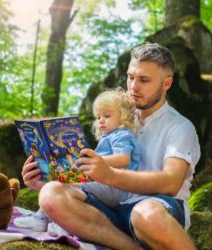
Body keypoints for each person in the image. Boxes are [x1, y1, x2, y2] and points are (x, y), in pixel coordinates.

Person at [22, 43, 200, 249]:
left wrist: (109, 174)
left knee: (146, 214)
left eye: (144, 80)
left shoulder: (180, 127)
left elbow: (170, 183)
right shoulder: (117, 117)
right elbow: (95, 177)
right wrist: (45, 177)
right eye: (131, 77)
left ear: (166, 83)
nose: (133, 86)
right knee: (51, 194)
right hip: (110, 211)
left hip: (157, 210)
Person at [15, 88, 141, 231]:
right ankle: (55, 220)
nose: (101, 121)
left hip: (115, 188)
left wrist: (95, 160)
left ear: (124, 116)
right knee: (64, 182)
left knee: (68, 184)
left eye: (107, 115)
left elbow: (123, 159)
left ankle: (48, 219)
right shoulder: (110, 136)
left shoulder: (122, 135)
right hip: (107, 185)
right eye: (98, 117)